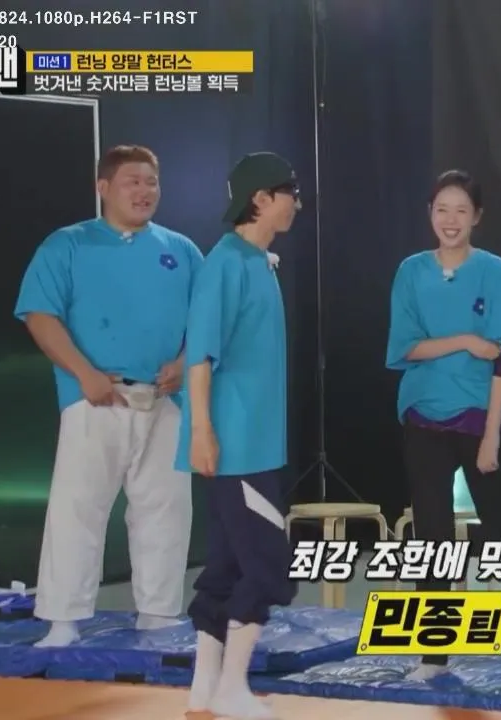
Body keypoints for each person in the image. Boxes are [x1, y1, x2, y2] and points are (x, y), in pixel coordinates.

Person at [14, 144, 201, 648]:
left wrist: (185, 364)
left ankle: (159, 612)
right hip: (95, 398)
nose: (144, 191)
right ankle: (62, 620)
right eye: (132, 182)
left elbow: (208, 320)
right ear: (104, 188)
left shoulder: (181, 250)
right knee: (78, 509)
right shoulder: (67, 245)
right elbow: (40, 315)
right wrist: (85, 373)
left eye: (151, 182)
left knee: (165, 509)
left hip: (164, 400)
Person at [385, 169, 501, 681]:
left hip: (483, 416)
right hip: (423, 415)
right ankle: (433, 654)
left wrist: (493, 434)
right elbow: (405, 347)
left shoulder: (495, 272)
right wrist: (464, 341)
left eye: (461, 210)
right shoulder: (411, 271)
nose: (450, 220)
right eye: (441, 210)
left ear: (476, 216)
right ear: (429, 214)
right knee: (431, 535)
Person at [179, 152, 302, 719]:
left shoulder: (257, 262)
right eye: (289, 193)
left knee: (227, 565)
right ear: (261, 199)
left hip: (255, 443)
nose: (296, 203)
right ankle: (233, 687)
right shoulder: (224, 264)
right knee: (269, 564)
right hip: (237, 446)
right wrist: (202, 431)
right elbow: (200, 356)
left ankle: (205, 687)